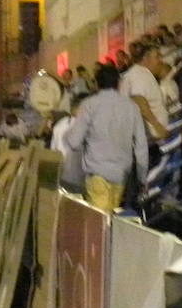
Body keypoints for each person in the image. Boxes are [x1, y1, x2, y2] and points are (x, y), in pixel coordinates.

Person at [63, 63, 149, 212]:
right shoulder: (131, 107)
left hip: (97, 175)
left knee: (100, 222)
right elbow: (141, 146)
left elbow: (74, 142)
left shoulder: (89, 105)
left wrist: (67, 135)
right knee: (112, 217)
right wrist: (142, 178)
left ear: (97, 83)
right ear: (118, 83)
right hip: (121, 176)